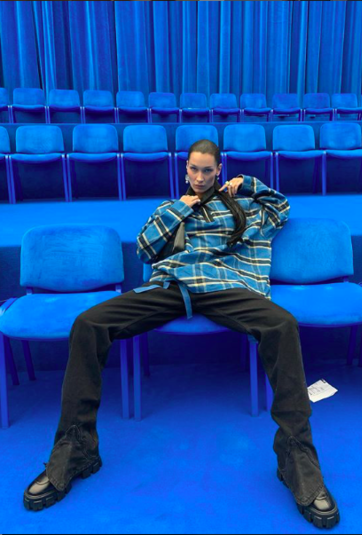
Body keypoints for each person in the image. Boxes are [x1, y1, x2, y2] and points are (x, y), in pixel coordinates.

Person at [23, 139, 340, 529]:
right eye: (194, 169)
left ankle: (297, 455)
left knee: (282, 324)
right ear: (185, 168)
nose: (200, 177)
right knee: (88, 324)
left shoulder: (243, 206)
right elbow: (144, 249)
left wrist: (248, 184)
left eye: (208, 170)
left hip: (227, 288)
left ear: (219, 170)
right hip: (172, 287)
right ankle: (76, 447)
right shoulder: (169, 209)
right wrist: (180, 208)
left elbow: (281, 207)